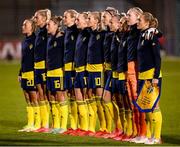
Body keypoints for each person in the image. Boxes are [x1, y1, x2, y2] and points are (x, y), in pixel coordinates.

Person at [136, 12, 162, 144]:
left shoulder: (151, 35)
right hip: (142, 76)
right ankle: (149, 135)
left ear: (147, 22)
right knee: (146, 107)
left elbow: (157, 57)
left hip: (152, 76)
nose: (137, 22)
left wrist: (156, 77)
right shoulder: (142, 34)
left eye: (139, 20)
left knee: (154, 106)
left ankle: (157, 137)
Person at [124, 7, 146, 141]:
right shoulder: (131, 32)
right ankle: (137, 132)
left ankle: (144, 133)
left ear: (138, 16)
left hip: (137, 68)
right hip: (129, 68)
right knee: (133, 103)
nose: (127, 17)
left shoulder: (141, 32)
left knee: (139, 102)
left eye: (129, 15)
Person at [46, 15, 69, 134]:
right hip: (49, 72)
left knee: (60, 97)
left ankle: (63, 126)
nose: (47, 27)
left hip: (58, 71)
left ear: (56, 25)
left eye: (49, 24)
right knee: (52, 98)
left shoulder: (62, 37)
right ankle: (56, 125)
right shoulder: (50, 38)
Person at [87, 11, 106, 135]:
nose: (88, 20)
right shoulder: (90, 33)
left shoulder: (102, 34)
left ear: (97, 21)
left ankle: (105, 127)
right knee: (91, 97)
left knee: (100, 99)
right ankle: (92, 127)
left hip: (98, 69)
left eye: (90, 18)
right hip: (89, 69)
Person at [33, 9, 51, 132]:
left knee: (47, 94)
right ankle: (43, 124)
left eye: (37, 17)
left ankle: (50, 123)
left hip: (45, 66)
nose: (35, 19)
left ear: (44, 19)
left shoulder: (46, 31)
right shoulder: (39, 32)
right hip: (37, 66)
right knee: (40, 94)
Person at [18, 18, 37, 132]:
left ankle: (37, 123)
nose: (23, 26)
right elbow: (24, 59)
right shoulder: (25, 40)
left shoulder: (35, 40)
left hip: (32, 73)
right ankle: (30, 123)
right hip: (25, 72)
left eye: (25, 24)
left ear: (32, 27)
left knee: (34, 98)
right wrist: (20, 72)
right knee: (27, 98)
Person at [63, 9, 79, 133]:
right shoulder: (66, 31)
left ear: (73, 18)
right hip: (66, 67)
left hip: (74, 67)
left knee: (75, 94)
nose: (64, 19)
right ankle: (73, 124)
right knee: (70, 95)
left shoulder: (76, 30)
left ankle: (78, 124)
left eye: (66, 17)